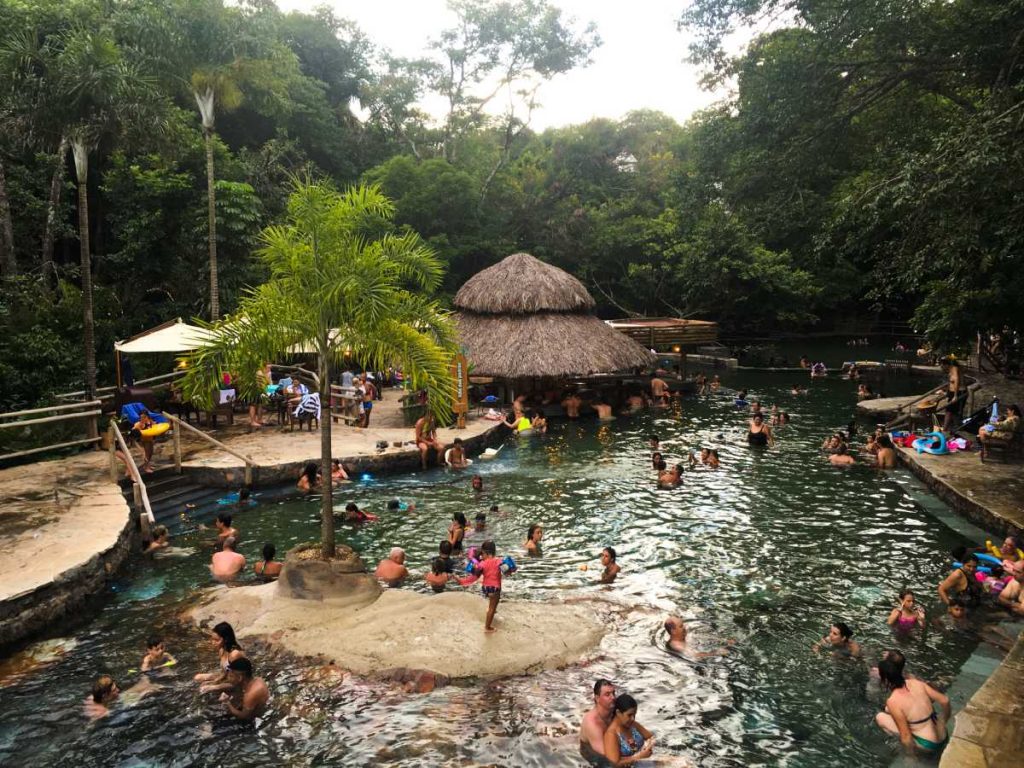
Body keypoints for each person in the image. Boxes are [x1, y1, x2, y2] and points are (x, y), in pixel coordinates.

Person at [874, 653, 950, 754]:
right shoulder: (916, 683)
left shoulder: (893, 701)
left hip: (928, 744)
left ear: (885, 679)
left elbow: (906, 736)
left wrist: (910, 758)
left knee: (880, 717)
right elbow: (945, 700)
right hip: (944, 735)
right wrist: (943, 720)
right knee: (890, 711)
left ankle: (912, 751)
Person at [603, 693, 655, 766]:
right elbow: (614, 764)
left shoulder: (633, 725)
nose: (633, 718)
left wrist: (648, 747)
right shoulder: (611, 735)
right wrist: (639, 756)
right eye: (629, 715)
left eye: (634, 715)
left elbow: (650, 737)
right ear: (618, 713)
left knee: (674, 761)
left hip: (643, 762)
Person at [195, 622, 245, 692]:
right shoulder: (222, 650)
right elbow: (224, 673)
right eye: (212, 639)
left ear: (226, 639)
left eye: (217, 640)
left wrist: (214, 687)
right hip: (228, 678)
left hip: (236, 683)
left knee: (207, 690)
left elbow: (236, 682)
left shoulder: (235, 655)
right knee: (197, 677)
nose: (213, 642)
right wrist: (215, 681)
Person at [579, 678, 617, 764]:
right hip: (593, 755)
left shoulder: (615, 711)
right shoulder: (592, 723)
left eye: (613, 693)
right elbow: (607, 755)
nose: (613, 697)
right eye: (607, 694)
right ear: (597, 698)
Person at [470, 540, 504, 632]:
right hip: (495, 587)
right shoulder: (498, 561)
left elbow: (476, 573)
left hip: (485, 587)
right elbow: (507, 570)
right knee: (492, 607)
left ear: (486, 553)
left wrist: (474, 566)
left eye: (483, 554)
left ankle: (491, 611)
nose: (482, 556)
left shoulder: (482, 563)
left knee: (493, 603)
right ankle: (487, 627)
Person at [664, 616, 730, 658]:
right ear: (673, 631)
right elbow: (695, 656)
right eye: (681, 626)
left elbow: (702, 637)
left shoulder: (683, 636)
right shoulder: (677, 646)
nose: (684, 627)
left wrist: (724, 640)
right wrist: (716, 653)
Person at [942, 358, 965, 433]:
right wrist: (946, 392)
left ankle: (944, 429)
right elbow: (951, 382)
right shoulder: (951, 369)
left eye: (943, 365)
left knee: (949, 410)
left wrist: (955, 395)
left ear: (947, 364)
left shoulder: (954, 369)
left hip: (959, 392)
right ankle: (958, 428)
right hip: (954, 392)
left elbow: (956, 381)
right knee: (954, 412)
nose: (942, 366)